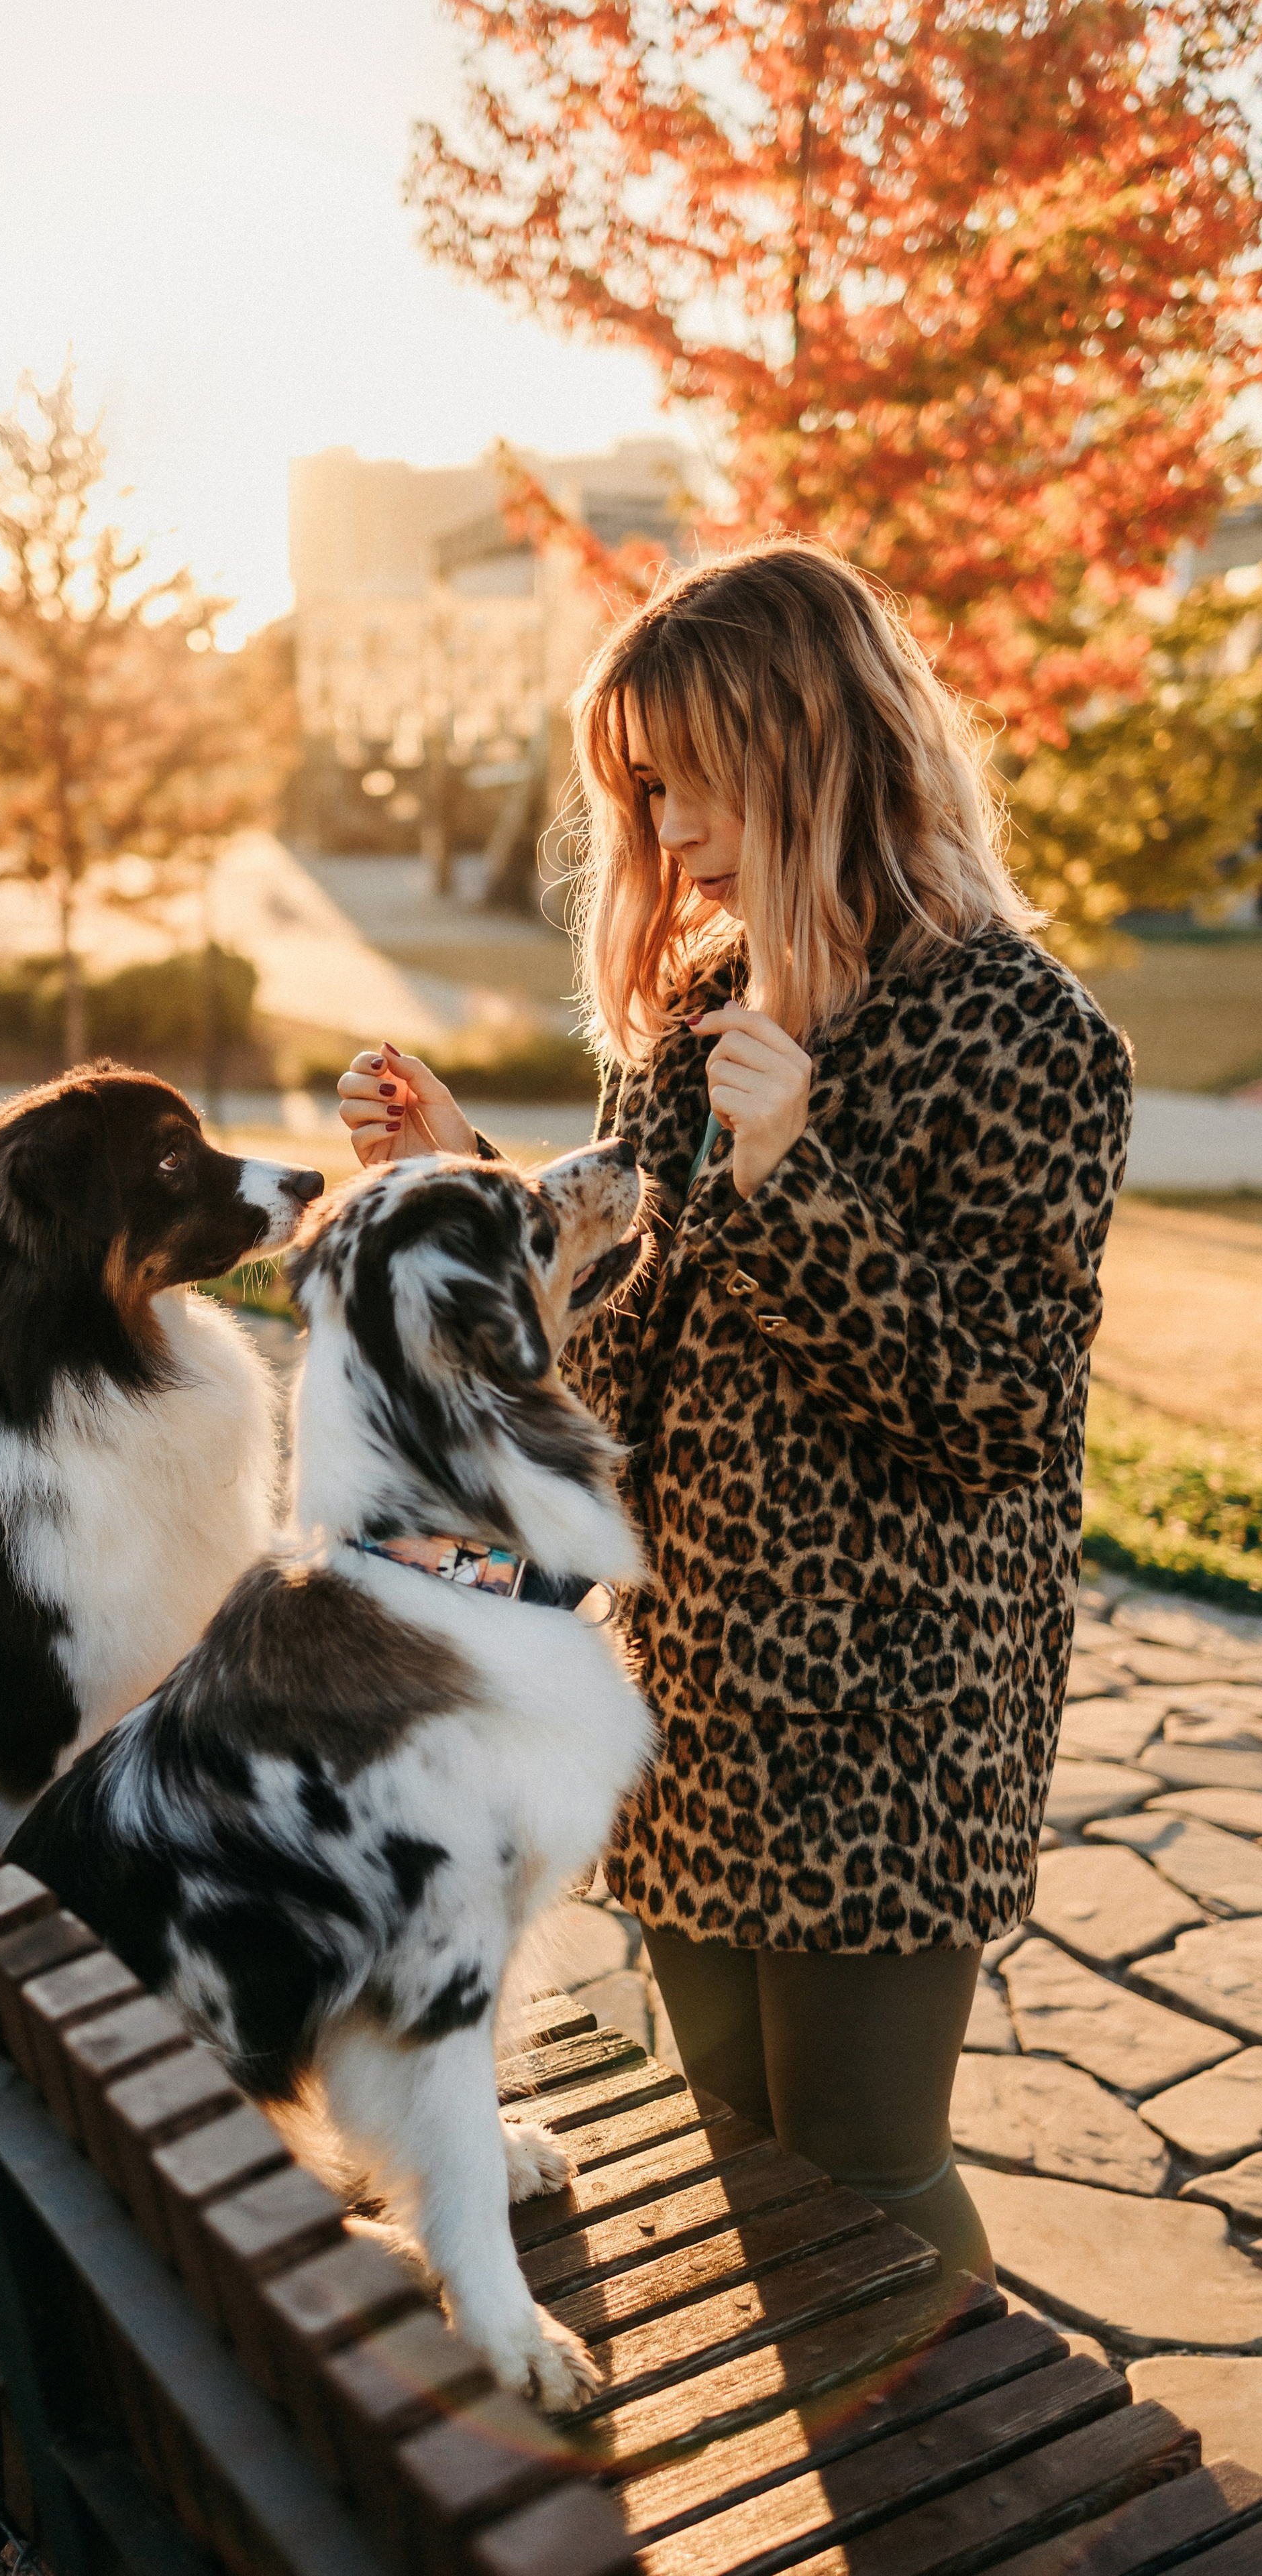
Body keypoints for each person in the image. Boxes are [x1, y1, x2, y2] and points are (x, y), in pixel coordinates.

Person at [336, 540, 1133, 2282]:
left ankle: (1002, 2502)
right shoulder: (694, 1021)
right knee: (747, 2157)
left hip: (893, 1718)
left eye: (682, 778)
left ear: (800, 748)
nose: (665, 829)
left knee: (863, 2164)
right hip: (686, 1685)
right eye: (638, 791)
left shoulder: (1024, 1030)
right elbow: (606, 1365)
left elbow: (998, 1415)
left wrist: (789, 1182)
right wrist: (462, 1184)